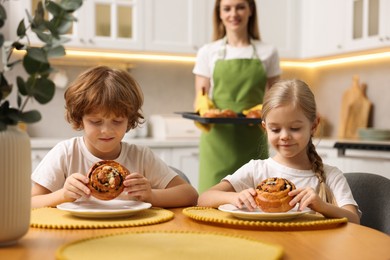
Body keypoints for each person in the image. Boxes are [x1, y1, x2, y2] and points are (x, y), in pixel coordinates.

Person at [31, 66, 198, 209]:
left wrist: (151, 195)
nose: (106, 131)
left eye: (117, 121)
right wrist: (62, 195)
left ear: (129, 120)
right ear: (79, 118)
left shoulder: (141, 157)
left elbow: (190, 194)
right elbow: (30, 203)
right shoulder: (66, 153)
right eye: (96, 122)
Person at [198, 79, 360, 224]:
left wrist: (322, 206)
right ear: (265, 128)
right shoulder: (256, 170)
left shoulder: (330, 176)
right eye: (275, 129)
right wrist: (233, 197)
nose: (284, 136)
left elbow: (354, 220)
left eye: (295, 128)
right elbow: (204, 198)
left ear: (314, 126)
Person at [193, 0, 281, 192]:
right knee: (211, 203)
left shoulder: (268, 52)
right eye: (227, 8)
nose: (234, 13)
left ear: (250, 10)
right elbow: (201, 95)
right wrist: (204, 110)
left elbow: (277, 98)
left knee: (257, 200)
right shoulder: (208, 52)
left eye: (240, 7)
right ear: (220, 14)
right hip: (217, 141)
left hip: (253, 138)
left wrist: (265, 113)